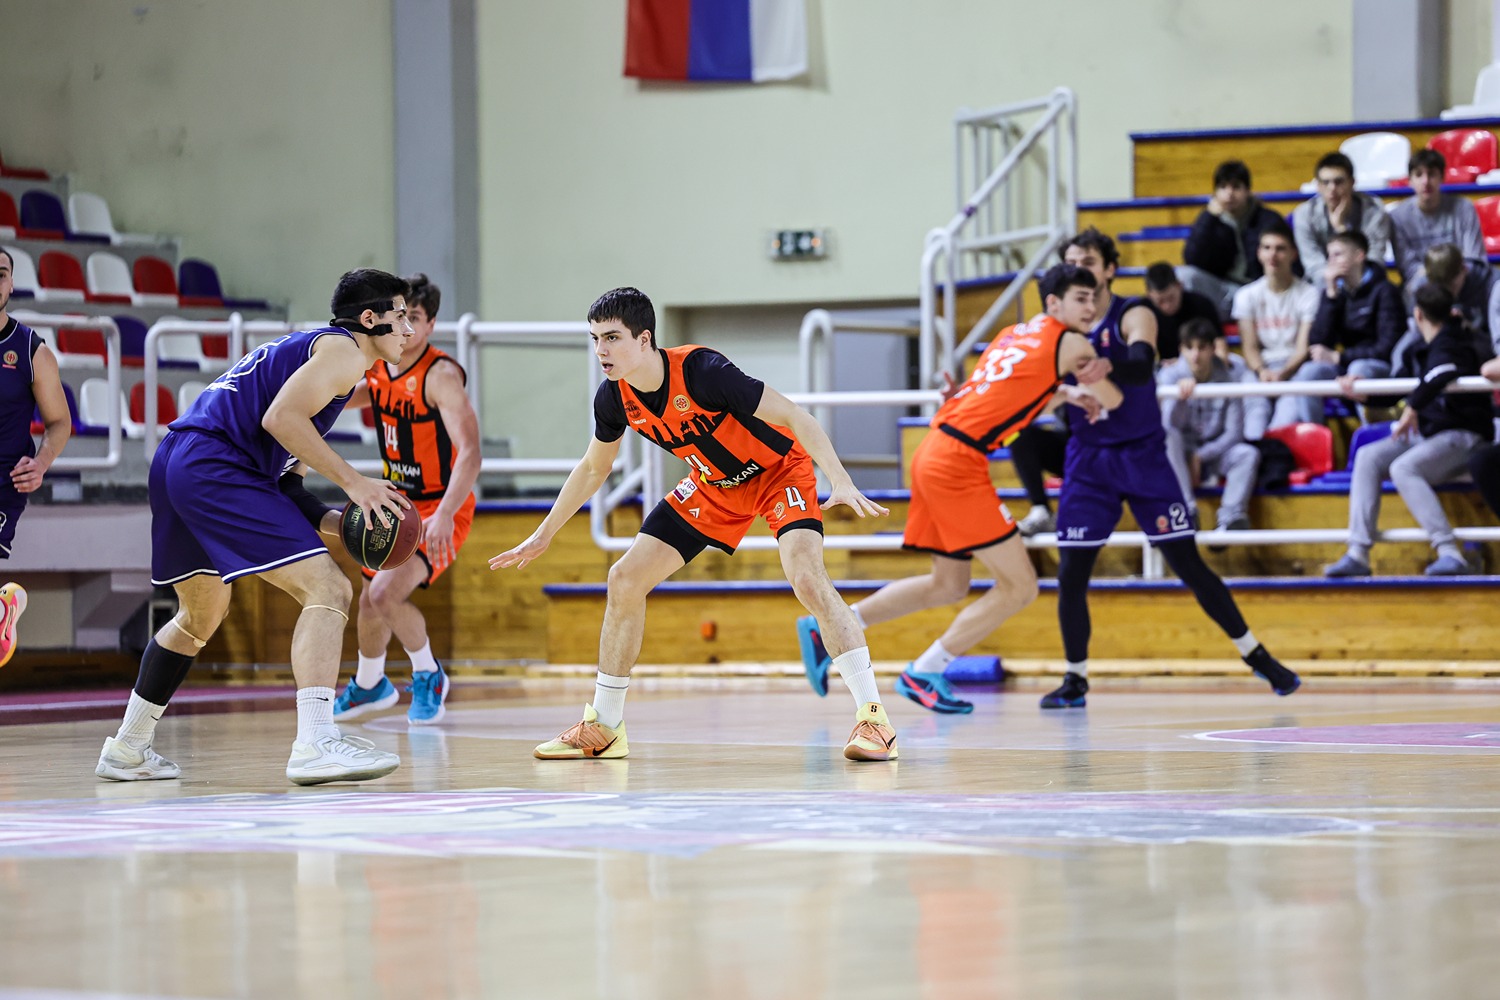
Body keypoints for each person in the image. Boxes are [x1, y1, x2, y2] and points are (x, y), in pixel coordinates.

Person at [490, 287, 899, 762]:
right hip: (712, 487)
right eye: (595, 338)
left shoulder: (703, 371)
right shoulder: (613, 398)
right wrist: (544, 533)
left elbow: (793, 414)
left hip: (777, 473)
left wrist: (840, 479)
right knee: (624, 579)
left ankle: (875, 720)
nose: (601, 350)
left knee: (807, 577)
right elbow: (593, 468)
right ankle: (604, 725)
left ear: (644, 339)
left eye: (612, 337)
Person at [95, 268, 413, 785]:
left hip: (180, 460)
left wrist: (340, 524)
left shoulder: (316, 357)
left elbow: (287, 485)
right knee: (329, 589)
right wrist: (357, 484)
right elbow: (280, 420)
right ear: (370, 319)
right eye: (401, 316)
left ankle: (127, 747)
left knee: (199, 617)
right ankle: (315, 742)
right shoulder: (344, 353)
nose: (409, 330)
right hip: (216, 465)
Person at [805, 264, 1121, 715]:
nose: (1091, 308)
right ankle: (925, 671)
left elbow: (1009, 394)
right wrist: (1113, 368)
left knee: (949, 584)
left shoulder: (1012, 334)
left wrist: (1064, 394)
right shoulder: (1072, 343)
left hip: (935, 449)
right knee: (1020, 586)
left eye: (1094, 298)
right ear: (1054, 303)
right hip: (957, 463)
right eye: (1081, 299)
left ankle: (832, 628)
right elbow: (1114, 399)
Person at [1040, 228, 1301, 709]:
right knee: (1072, 573)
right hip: (1089, 459)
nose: (1081, 271)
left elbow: (1142, 365)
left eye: (1089, 262)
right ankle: (1075, 677)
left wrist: (1105, 367)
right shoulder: (1056, 329)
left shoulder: (1133, 312)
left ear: (1109, 269)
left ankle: (1257, 655)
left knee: (1188, 564)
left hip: (1142, 455)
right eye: (1072, 263)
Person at [332, 273, 480, 726]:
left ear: (431, 324)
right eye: (401, 316)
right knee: (368, 602)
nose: (407, 327)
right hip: (394, 503)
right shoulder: (381, 365)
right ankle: (370, 683)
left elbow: (471, 453)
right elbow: (350, 396)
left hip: (440, 506)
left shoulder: (441, 376)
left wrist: (446, 514)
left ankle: (428, 673)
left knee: (385, 594)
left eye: (415, 317)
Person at [1324, 284, 1494, 577]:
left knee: (1404, 468)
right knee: (1368, 457)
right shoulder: (1418, 348)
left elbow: (1443, 372)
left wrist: (1413, 407)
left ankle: (1449, 552)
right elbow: (1399, 389)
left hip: (1464, 435)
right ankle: (1358, 552)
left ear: (1417, 315)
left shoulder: (1455, 342)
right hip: (1430, 434)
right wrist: (1362, 393)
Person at [0, 248, 71, 665]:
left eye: (1, 274)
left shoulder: (31, 351)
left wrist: (41, 463)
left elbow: (59, 422)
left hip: (5, 480)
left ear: (10, 284)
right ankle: (4, 607)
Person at [1159, 318, 1261, 534]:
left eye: (1201, 348)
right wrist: (1179, 398)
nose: (1195, 355)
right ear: (1181, 350)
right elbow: (1168, 427)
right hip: (1179, 456)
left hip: (1214, 454)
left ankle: (1231, 518)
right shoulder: (1169, 376)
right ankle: (1187, 511)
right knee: (1167, 437)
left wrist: (1200, 456)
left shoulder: (1230, 378)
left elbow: (1234, 433)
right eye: (1189, 348)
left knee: (1247, 453)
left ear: (1213, 349)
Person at [1293, 231, 1404, 424]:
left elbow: (1387, 348)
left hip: (1381, 367)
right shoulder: (1335, 293)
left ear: (1359, 256)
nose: (1331, 262)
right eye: (1329, 256)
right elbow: (1318, 343)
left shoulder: (1385, 291)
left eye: (1338, 254)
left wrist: (1339, 357)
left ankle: (1371, 434)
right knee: (1308, 372)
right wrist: (1330, 296)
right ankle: (1314, 435)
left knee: (1358, 368)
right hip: (1346, 364)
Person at [1229, 219, 1320, 428]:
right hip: (1260, 368)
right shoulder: (1245, 295)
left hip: (1295, 369)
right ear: (1259, 253)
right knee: (1254, 424)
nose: (1273, 255)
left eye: (1280, 249)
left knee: (1282, 425)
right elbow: (1249, 347)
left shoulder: (1309, 294)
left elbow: (1302, 348)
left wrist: (1283, 373)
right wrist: (1262, 371)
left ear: (1293, 254)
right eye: (1267, 248)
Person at [1178, 159, 1295, 319]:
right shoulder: (1211, 220)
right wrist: (1207, 218)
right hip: (1225, 291)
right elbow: (1191, 258)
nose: (1229, 193)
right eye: (1223, 187)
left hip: (1261, 290)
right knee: (1184, 275)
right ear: (1215, 193)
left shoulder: (1268, 219)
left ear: (1247, 191)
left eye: (1236, 187)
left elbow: (1288, 259)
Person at [1292, 151, 1393, 287]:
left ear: (1352, 183)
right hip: (1323, 286)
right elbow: (1314, 266)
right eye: (1325, 182)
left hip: (1367, 286)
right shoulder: (1305, 214)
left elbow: (1374, 263)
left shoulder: (1374, 211)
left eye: (1338, 182)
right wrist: (1336, 285)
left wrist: (1341, 228)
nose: (1332, 188)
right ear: (1318, 186)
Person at [1388, 149, 1486, 289]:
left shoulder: (1464, 208)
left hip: (1463, 282)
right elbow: (1409, 269)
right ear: (1410, 181)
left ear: (1442, 177)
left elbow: (1474, 259)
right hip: (1422, 287)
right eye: (1419, 174)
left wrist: (1453, 280)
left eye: (1432, 174)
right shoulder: (1397, 217)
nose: (1426, 181)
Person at [1142, 262, 1220, 361]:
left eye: (1171, 298)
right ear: (1149, 295)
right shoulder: (1142, 312)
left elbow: (1219, 345)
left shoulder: (1201, 305)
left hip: (1199, 364)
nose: (1167, 306)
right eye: (1160, 301)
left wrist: (1181, 364)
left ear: (1179, 286)